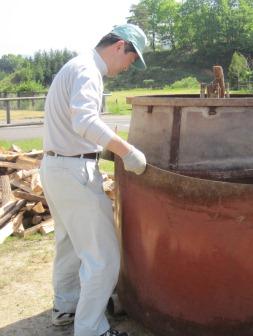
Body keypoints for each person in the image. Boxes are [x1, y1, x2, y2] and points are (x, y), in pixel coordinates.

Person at [39, 24, 148, 336]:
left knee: (70, 244)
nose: (128, 67)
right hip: (74, 172)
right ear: (119, 46)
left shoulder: (76, 65)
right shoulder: (88, 70)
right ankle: (91, 330)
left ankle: (67, 307)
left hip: (56, 167)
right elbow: (85, 120)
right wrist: (128, 152)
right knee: (104, 257)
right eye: (131, 58)